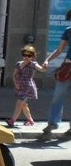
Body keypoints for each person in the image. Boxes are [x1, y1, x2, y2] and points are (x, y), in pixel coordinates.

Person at [42, 9, 71, 137]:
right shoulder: (68, 31)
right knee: (57, 96)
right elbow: (60, 50)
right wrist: (47, 60)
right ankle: (53, 123)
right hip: (68, 67)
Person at [8, 45, 46, 127]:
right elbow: (14, 75)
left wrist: (44, 67)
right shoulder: (18, 64)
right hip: (20, 86)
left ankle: (12, 120)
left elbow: (41, 69)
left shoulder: (33, 64)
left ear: (33, 56)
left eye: (29, 56)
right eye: (24, 55)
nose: (26, 57)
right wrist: (16, 84)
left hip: (28, 87)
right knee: (23, 105)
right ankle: (30, 120)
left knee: (19, 103)